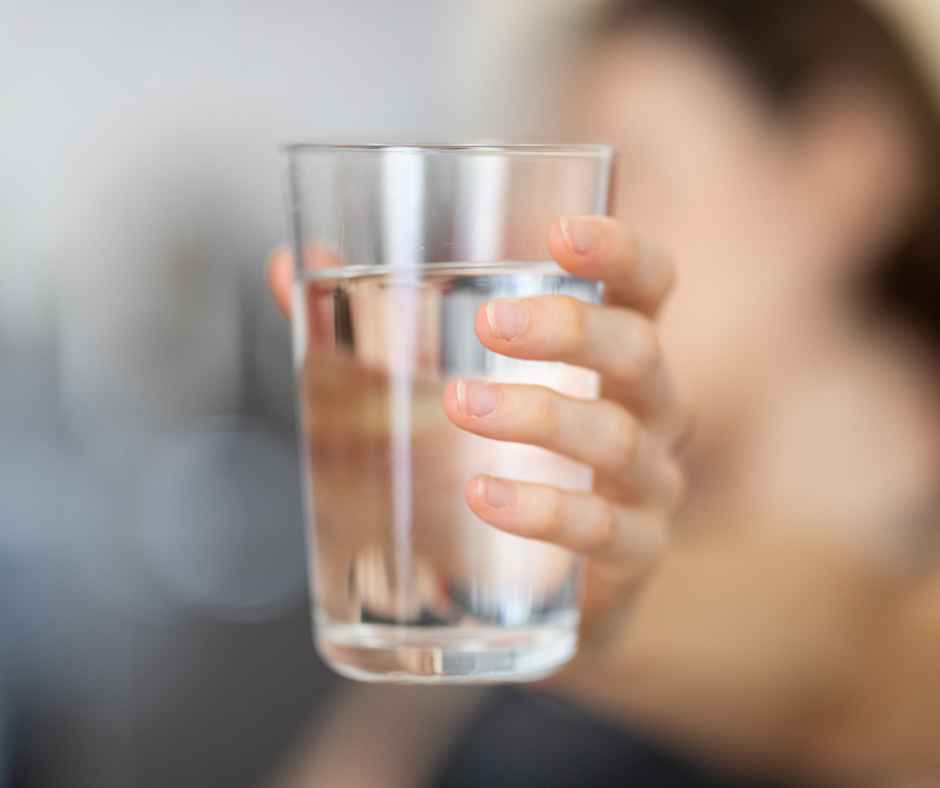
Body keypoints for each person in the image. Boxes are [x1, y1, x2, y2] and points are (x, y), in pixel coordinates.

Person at [266, 0, 940, 785]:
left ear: (845, 172)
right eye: (537, 187)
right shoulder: (549, 535)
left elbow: (860, 670)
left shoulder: (888, 611)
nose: (540, 235)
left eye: (627, 173)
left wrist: (607, 626)